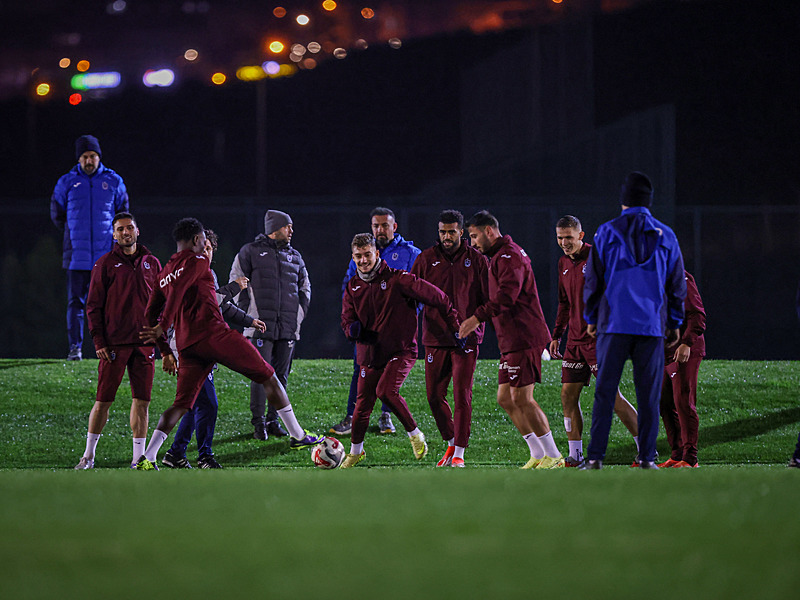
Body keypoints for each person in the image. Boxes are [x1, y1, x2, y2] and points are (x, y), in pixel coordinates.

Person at [135, 218, 322, 471]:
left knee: (181, 403)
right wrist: (165, 322)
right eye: (204, 241)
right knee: (268, 375)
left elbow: (149, 313)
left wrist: (165, 348)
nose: (206, 246)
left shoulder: (165, 273)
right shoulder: (198, 260)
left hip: (187, 346)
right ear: (195, 240)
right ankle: (298, 435)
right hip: (214, 335)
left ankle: (147, 457)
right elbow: (179, 296)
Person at [581, 172, 687, 470]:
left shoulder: (606, 232)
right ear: (649, 201)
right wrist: (675, 321)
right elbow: (677, 284)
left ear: (623, 199)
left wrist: (591, 316)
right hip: (651, 326)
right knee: (648, 396)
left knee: (605, 392)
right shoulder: (666, 235)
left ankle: (595, 457)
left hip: (613, 325)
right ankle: (646, 457)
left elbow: (593, 279)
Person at [339, 233, 461, 468]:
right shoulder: (353, 286)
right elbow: (346, 320)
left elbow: (438, 296)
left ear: (377, 254)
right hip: (370, 354)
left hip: (401, 350)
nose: (363, 260)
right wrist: (352, 330)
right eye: (358, 256)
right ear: (352, 257)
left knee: (386, 391)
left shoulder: (398, 279)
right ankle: (356, 452)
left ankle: (415, 435)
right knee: (362, 406)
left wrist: (454, 325)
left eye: (367, 255)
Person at [459, 211, 565, 469]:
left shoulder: (509, 256)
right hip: (511, 339)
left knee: (522, 398)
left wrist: (476, 318)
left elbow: (508, 295)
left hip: (524, 336)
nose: (472, 242)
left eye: (474, 236)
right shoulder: (499, 256)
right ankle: (538, 454)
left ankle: (555, 456)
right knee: (505, 398)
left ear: (489, 231)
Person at [162, 229, 267, 469]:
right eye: (202, 247)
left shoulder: (207, 274)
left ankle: (176, 453)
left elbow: (222, 307)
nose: (205, 252)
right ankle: (202, 456)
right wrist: (234, 287)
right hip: (186, 347)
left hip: (199, 348)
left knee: (192, 403)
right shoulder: (187, 273)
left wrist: (249, 320)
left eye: (210, 248)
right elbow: (216, 300)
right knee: (207, 403)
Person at [74, 212, 166, 469]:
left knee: (143, 401)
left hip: (145, 343)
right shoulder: (104, 264)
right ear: (114, 235)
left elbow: (161, 304)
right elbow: (93, 306)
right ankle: (88, 456)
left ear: (138, 231)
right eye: (120, 229)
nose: (126, 233)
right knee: (103, 400)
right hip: (114, 345)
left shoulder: (152, 262)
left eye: (129, 228)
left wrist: (162, 339)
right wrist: (99, 341)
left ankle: (138, 458)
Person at [549, 215, 640, 467]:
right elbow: (565, 303)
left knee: (611, 397)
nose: (564, 242)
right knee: (567, 395)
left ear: (581, 235)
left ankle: (646, 449)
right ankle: (575, 455)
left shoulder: (600, 258)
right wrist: (557, 334)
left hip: (601, 341)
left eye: (569, 237)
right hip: (574, 343)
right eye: (560, 237)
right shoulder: (563, 263)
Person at [330, 207, 421, 436]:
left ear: (394, 227)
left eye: (384, 225)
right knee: (360, 369)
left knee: (390, 372)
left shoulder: (410, 253)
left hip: (396, 330)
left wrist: (408, 318)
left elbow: (420, 289)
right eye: (376, 226)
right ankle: (352, 417)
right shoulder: (361, 253)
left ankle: (385, 416)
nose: (380, 230)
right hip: (368, 330)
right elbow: (348, 287)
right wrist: (352, 322)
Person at [410, 210, 489, 467]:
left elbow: (488, 299)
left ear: (461, 232)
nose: (446, 236)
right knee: (433, 395)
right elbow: (412, 293)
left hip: (466, 340)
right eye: (443, 231)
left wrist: (474, 326)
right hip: (435, 337)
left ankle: (459, 454)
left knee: (461, 395)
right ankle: (451, 441)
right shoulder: (425, 259)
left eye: (451, 232)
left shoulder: (476, 260)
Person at [229, 210, 310, 441]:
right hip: (259, 327)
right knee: (260, 375)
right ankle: (259, 424)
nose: (291, 231)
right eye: (287, 226)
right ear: (274, 229)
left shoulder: (295, 256)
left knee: (281, 376)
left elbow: (305, 289)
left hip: (287, 327)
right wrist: (247, 315)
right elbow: (236, 282)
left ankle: (274, 421)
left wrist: (298, 316)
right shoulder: (250, 252)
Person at [51, 135, 130, 360]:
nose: (89, 160)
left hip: (106, 257)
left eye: (93, 156)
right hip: (77, 256)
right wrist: (72, 233)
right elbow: (57, 214)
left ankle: (110, 347)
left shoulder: (113, 180)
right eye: (85, 156)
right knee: (76, 303)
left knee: (110, 304)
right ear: (79, 159)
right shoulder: (66, 182)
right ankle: (75, 349)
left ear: (99, 157)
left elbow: (123, 214)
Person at [658, 270, 705, 469]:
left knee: (683, 401)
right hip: (663, 351)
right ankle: (677, 455)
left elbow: (697, 314)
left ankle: (690, 458)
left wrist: (686, 343)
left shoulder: (680, 277)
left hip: (684, 349)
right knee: (663, 402)